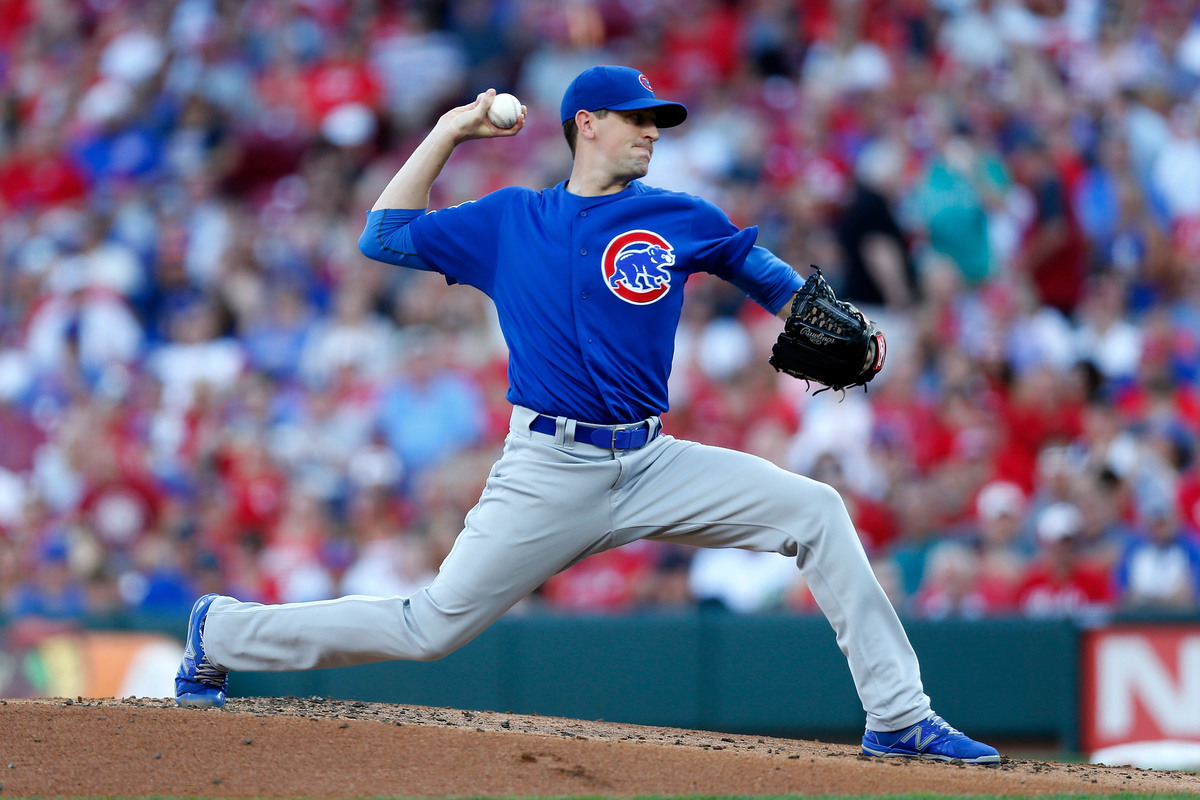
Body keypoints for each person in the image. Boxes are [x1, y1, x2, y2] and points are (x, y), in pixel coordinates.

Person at [173, 65, 999, 765]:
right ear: (588, 125)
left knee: (817, 510)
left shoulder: (679, 215)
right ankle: (222, 635)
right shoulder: (511, 219)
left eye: (659, 124)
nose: (652, 133)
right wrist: (452, 131)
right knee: (430, 627)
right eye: (637, 120)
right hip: (547, 469)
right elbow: (385, 236)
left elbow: (765, 272)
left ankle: (897, 715)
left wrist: (824, 312)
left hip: (653, 462)